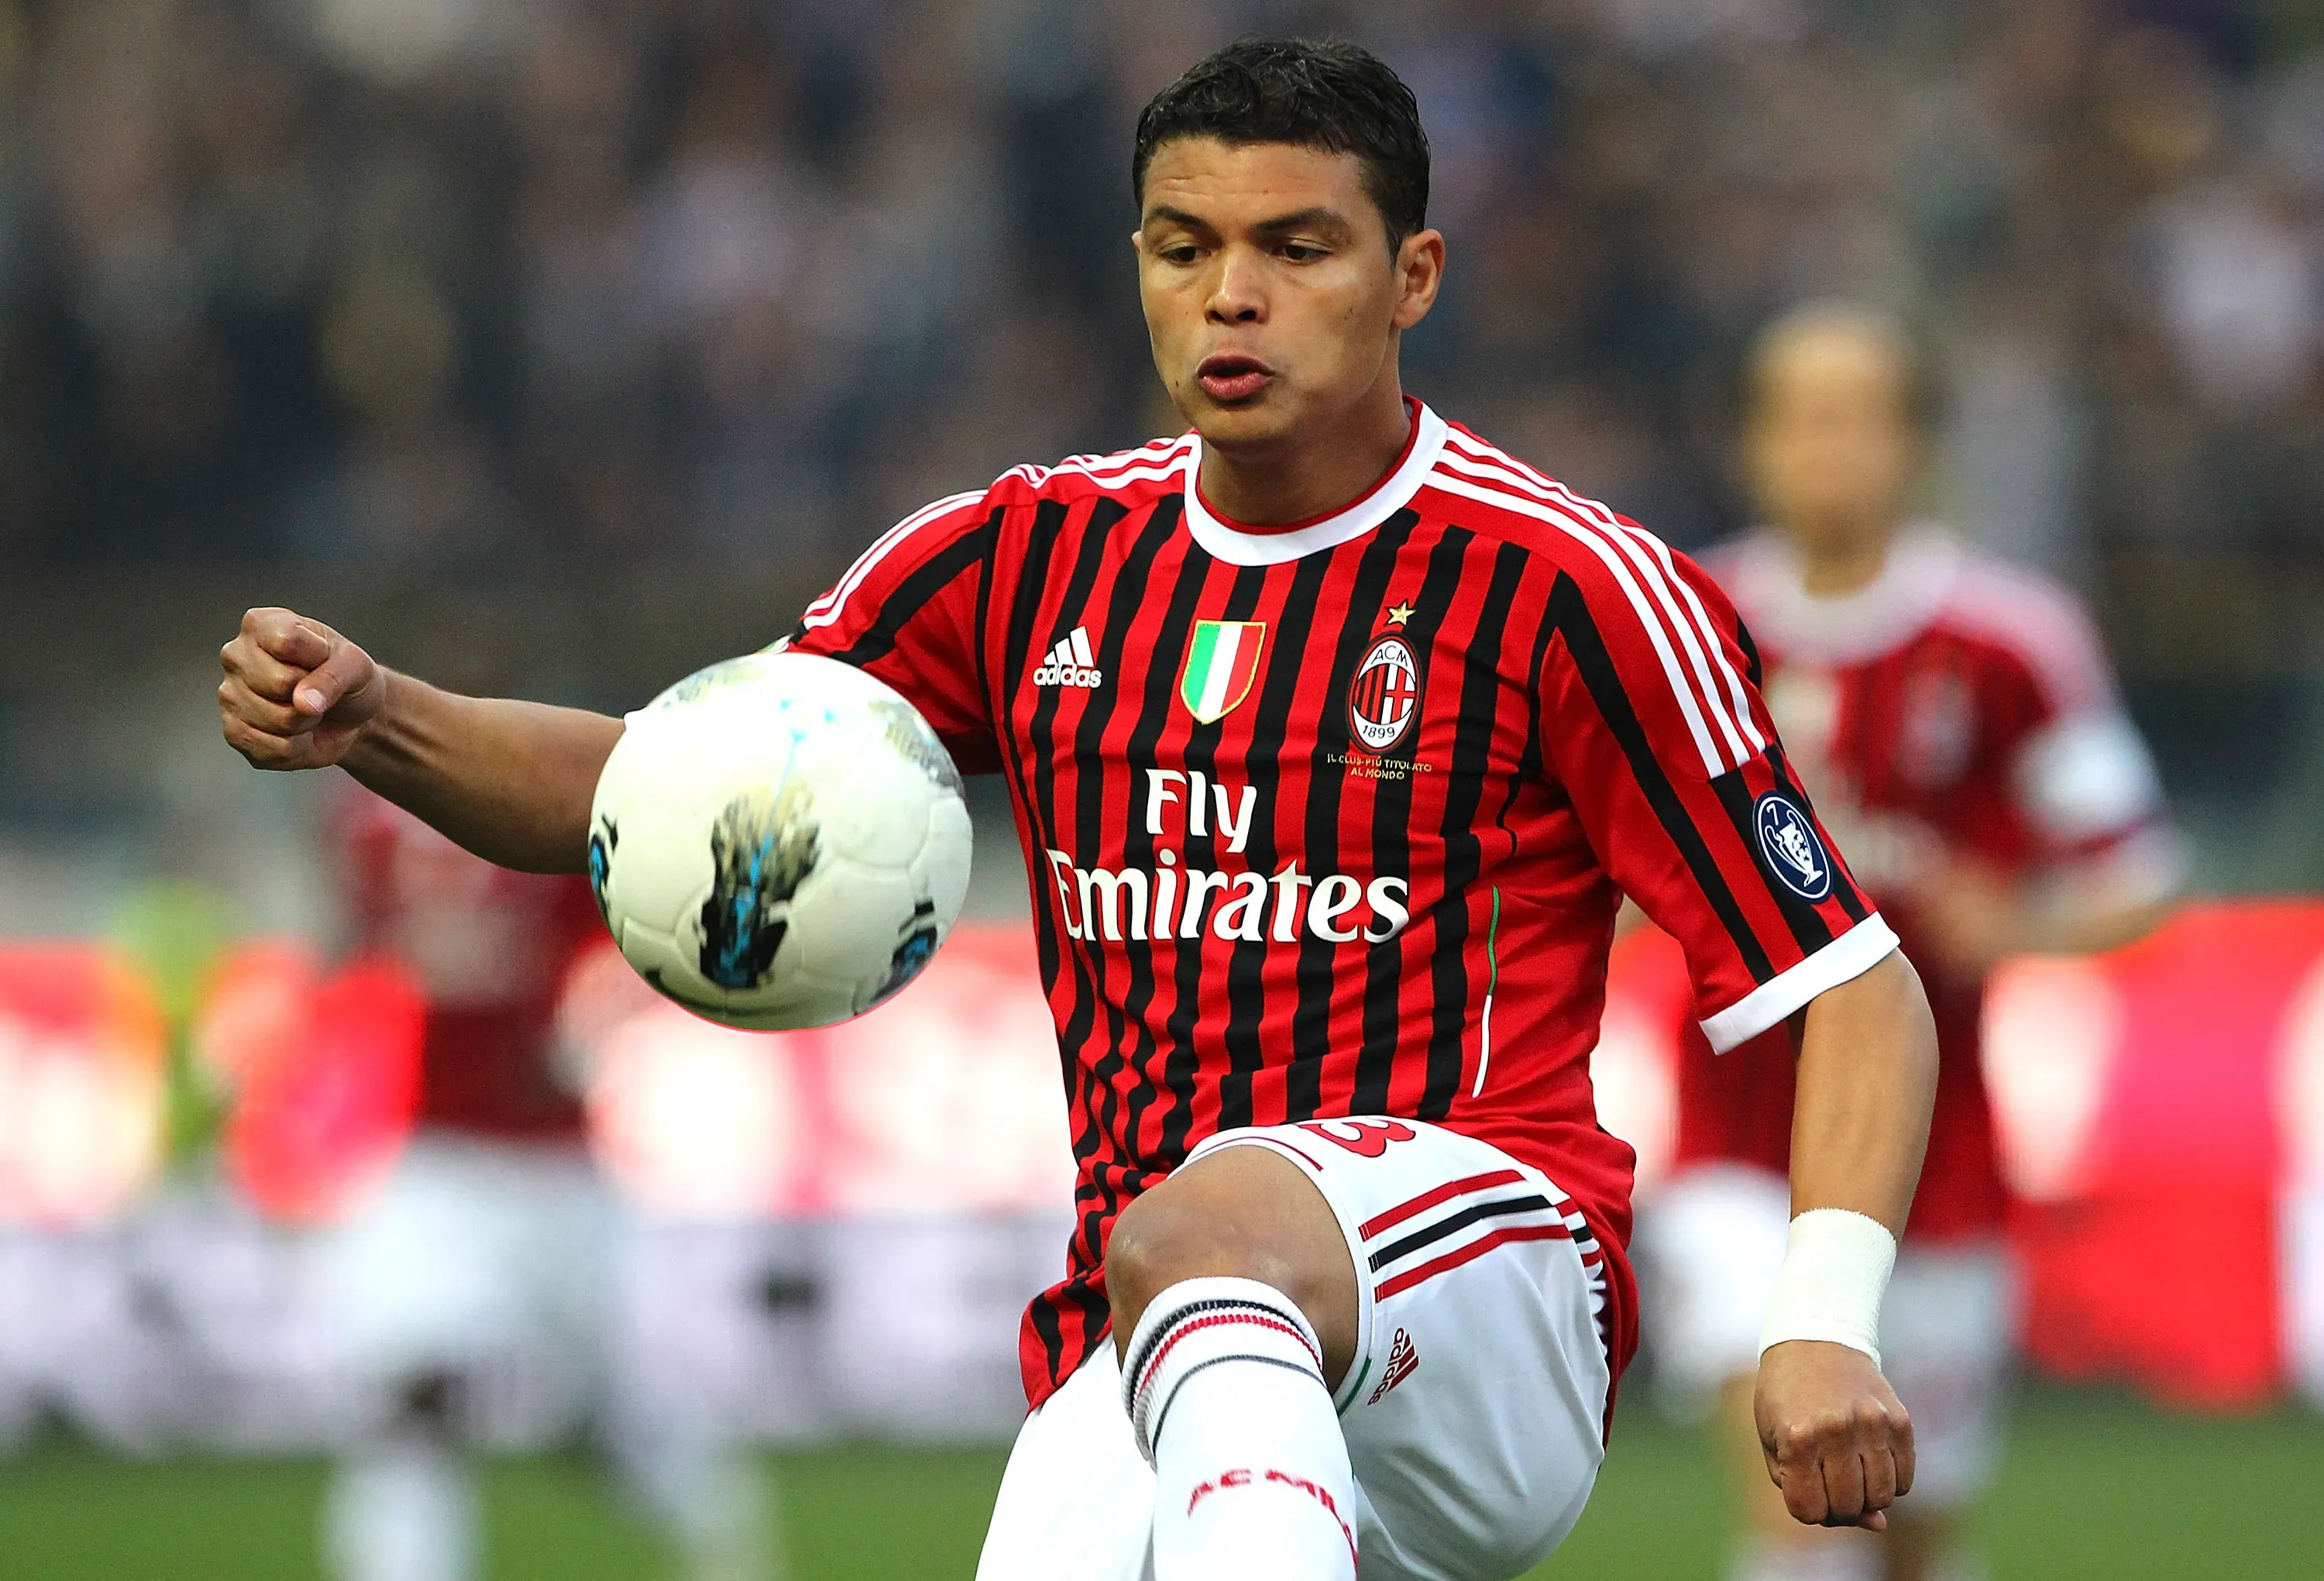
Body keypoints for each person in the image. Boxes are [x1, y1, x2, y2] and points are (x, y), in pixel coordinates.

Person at [221, 40, 1938, 1581]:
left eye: (1296, 247)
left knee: (1209, 1221)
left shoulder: (1569, 584)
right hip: (1150, 1336)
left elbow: (1853, 989)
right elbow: (669, 790)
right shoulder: (1018, 557)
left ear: (1412, 276)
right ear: (1138, 268)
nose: (1233, 296)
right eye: (1187, 249)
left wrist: (1825, 1321)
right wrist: (384, 717)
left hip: (1487, 1284)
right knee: (1188, 1250)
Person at [1636, 304, 2179, 1581]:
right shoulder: (1687, 625)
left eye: (1860, 418)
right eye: (1800, 418)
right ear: (1755, 445)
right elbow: (1605, 864)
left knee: (1909, 1532)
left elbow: (2138, 877)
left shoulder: (2011, 641)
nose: (1829, 448)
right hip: (1735, 1137)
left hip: (1937, 1150)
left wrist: (2021, 920)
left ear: (1914, 445)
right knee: (1797, 1503)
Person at [316, 784, 773, 1581]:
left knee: (595, 1410)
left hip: (558, 1168)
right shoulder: (376, 820)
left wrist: (584, 1031)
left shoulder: (556, 818)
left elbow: (657, 942)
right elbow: (357, 932)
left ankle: (718, 1527)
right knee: (413, 1390)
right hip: (441, 1155)